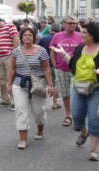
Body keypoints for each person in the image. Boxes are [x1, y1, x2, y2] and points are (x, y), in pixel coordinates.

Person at [51, 22, 99, 161]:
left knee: (95, 119)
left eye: (84, 32)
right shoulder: (80, 48)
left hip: (96, 90)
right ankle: (84, 132)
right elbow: (72, 64)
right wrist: (63, 54)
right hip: (79, 88)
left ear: (93, 35)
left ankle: (95, 150)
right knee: (77, 116)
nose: (81, 34)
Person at [8, 28, 55, 149]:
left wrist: (50, 85)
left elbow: (46, 68)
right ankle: (23, 139)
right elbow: (12, 69)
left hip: (38, 84)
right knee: (21, 111)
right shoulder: (16, 51)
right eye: (25, 35)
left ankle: (40, 129)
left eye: (30, 35)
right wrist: (9, 85)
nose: (27, 37)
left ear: (34, 37)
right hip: (19, 84)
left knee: (39, 111)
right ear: (21, 37)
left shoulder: (42, 51)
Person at [49, 16, 83, 127]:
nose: (73, 25)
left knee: (79, 93)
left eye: (74, 23)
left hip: (77, 70)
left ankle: (78, 115)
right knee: (65, 94)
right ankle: (68, 116)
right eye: (70, 23)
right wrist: (55, 64)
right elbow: (53, 51)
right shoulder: (57, 36)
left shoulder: (80, 36)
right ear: (63, 24)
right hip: (62, 69)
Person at [38, 23, 61, 109]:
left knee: (41, 84)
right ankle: (55, 103)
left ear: (51, 29)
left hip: (43, 64)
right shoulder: (60, 38)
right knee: (54, 84)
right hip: (54, 65)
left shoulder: (43, 38)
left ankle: (40, 103)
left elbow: (37, 50)